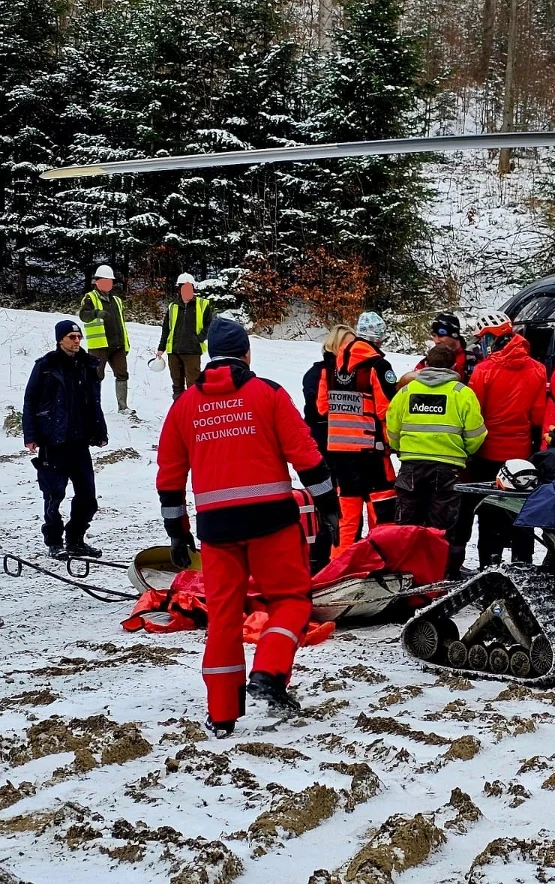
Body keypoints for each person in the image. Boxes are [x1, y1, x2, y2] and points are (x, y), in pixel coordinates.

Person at [156, 316, 339, 738]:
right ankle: (269, 672)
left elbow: (169, 478)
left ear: (210, 356)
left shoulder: (184, 406)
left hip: (217, 529)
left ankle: (222, 713)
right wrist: (328, 506)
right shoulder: (267, 394)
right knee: (291, 599)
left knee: (223, 618)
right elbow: (305, 455)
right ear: (246, 353)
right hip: (272, 520)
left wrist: (177, 533)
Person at [450, 312, 546, 568]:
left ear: (492, 338)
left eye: (482, 339)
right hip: (521, 454)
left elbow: (474, 414)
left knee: (489, 512)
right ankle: (522, 565)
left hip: (487, 453)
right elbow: (538, 416)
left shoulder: (484, 371)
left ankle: (489, 566)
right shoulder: (538, 369)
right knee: (521, 511)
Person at [386, 343, 486, 578]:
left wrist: (401, 448)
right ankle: (437, 580)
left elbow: (392, 428)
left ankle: (405, 577)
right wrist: (463, 452)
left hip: (411, 467)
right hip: (448, 469)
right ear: (454, 366)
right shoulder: (462, 393)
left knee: (407, 527)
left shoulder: (406, 392)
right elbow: (477, 434)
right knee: (441, 530)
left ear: (426, 364)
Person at [22, 320, 108, 560]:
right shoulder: (46, 366)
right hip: (54, 441)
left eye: (79, 337)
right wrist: (31, 436)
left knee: (87, 497)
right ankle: (54, 541)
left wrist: (100, 432)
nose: (77, 341)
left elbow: (94, 402)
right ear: (60, 339)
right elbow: (30, 401)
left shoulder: (88, 364)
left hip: (80, 442)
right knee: (54, 495)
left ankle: (76, 539)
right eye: (71, 337)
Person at [316, 311, 399, 554]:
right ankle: (383, 563)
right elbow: (387, 411)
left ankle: (338, 570)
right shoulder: (377, 366)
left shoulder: (331, 367)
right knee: (382, 516)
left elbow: (322, 408)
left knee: (346, 522)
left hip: (340, 457)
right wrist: (394, 443)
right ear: (379, 338)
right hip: (372, 455)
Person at [301, 323, 354, 573]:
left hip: (346, 447)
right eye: (348, 344)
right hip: (325, 446)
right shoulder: (319, 373)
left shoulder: (352, 372)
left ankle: (338, 555)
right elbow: (316, 410)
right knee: (328, 505)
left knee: (345, 508)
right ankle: (321, 559)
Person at [78, 264, 133, 413]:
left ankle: (123, 407)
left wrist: (125, 344)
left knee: (122, 374)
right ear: (97, 282)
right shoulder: (90, 298)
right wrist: (96, 313)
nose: (108, 284)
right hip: (99, 345)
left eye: (110, 281)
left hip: (117, 345)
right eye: (104, 281)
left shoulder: (117, 301)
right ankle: (93, 407)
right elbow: (83, 315)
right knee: (95, 376)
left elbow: (121, 324)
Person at [157, 273, 213, 401]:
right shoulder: (173, 306)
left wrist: (199, 338)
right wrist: (161, 348)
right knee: (177, 386)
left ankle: (193, 409)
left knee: (193, 386)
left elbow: (210, 325)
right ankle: (179, 408)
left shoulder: (203, 304)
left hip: (192, 352)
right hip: (174, 352)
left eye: (189, 288)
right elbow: (166, 329)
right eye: (184, 288)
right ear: (179, 289)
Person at [399, 313, 472, 385]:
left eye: (441, 336)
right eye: (434, 336)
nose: (436, 341)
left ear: (454, 335)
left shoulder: (473, 359)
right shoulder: (428, 361)